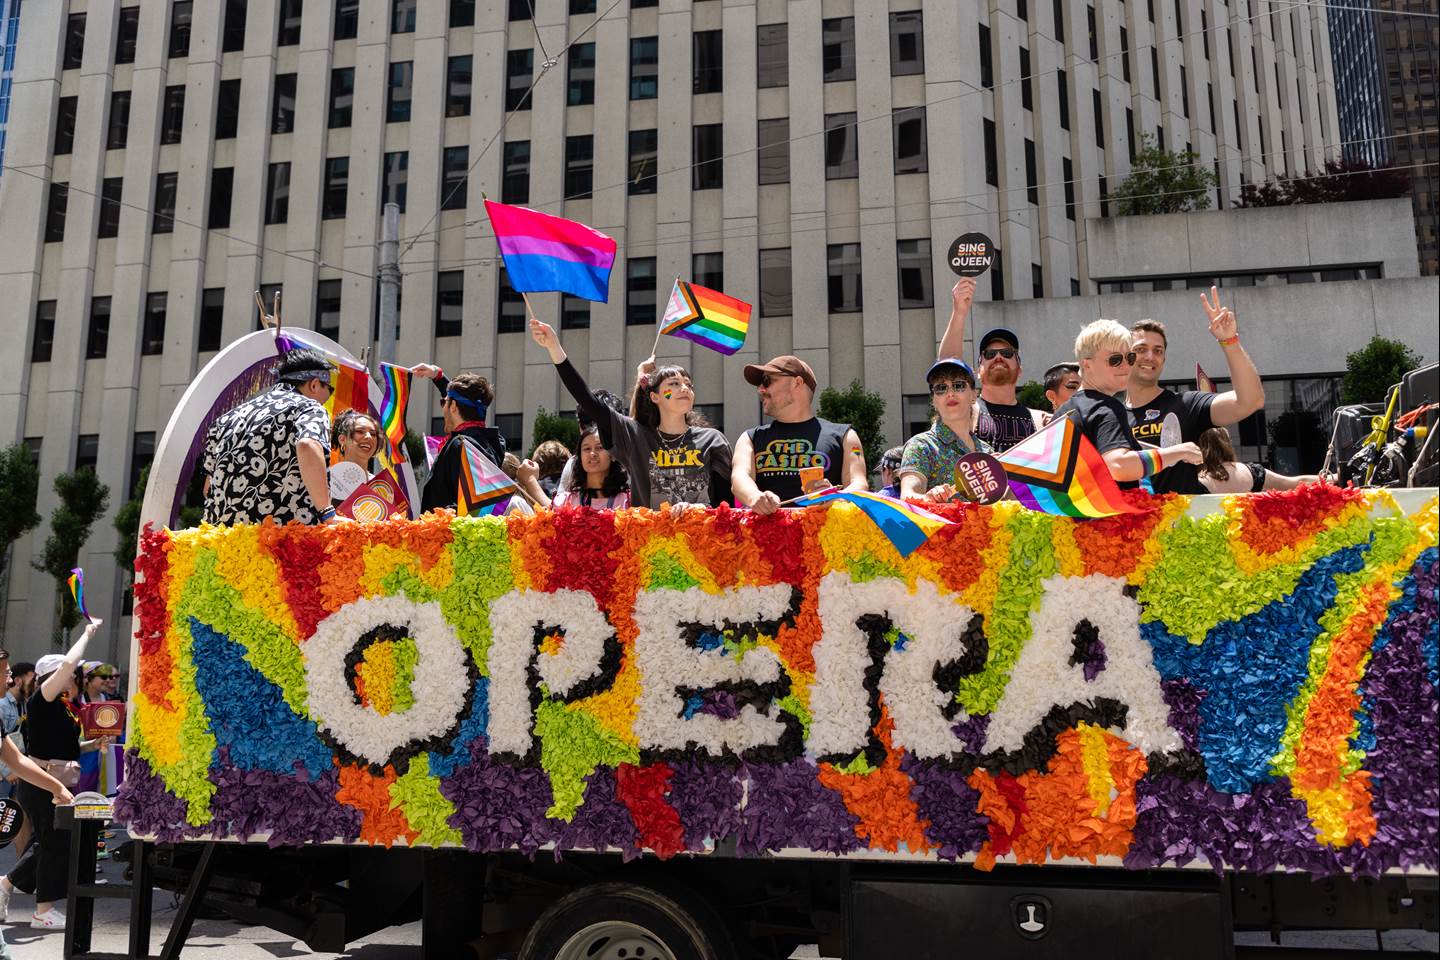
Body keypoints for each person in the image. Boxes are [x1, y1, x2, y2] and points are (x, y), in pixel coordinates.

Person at [530, 317, 732, 510]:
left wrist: (698, 510)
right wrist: (554, 347)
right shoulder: (636, 437)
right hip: (649, 542)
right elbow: (587, 400)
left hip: (700, 541)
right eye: (674, 384)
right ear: (655, 397)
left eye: (688, 384)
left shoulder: (713, 440)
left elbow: (726, 506)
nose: (684, 388)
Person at [1, 621, 110, 930]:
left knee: (48, 842)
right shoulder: (44, 698)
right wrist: (87, 635)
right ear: (51, 677)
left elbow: (64, 747)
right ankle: (43, 910)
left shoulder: (61, 706)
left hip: (54, 780)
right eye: (70, 675)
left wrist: (91, 744)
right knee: (53, 843)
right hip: (42, 782)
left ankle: (6, 886)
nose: (74, 678)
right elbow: (68, 663)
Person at [1125, 287, 1265, 494]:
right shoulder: (1111, 415)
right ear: (1125, 356)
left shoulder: (1186, 404)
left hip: (1182, 523)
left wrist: (1229, 340)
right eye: (1140, 349)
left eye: (1158, 351)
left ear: (1164, 359)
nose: (1150, 357)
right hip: (1128, 523)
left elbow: (1250, 401)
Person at [1056, 319, 1203, 487]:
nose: (1126, 365)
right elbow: (1119, 465)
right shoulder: (1106, 408)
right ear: (1087, 365)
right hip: (1108, 513)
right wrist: (1178, 452)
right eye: (1115, 359)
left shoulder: (1063, 412)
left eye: (1130, 357)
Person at [202, 347, 336, 525]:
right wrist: (327, 512)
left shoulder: (227, 418)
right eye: (330, 389)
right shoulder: (309, 407)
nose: (328, 397)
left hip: (226, 540)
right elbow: (307, 445)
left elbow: (208, 486)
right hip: (283, 537)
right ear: (314, 384)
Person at [732, 356, 868, 513]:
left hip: (824, 534)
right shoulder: (750, 438)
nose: (761, 389)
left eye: (767, 381)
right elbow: (739, 477)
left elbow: (859, 484)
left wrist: (836, 497)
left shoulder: (845, 436)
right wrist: (755, 497)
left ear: (797, 382)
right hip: (766, 535)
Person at [934, 277, 1041, 451]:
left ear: (1020, 369)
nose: (998, 357)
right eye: (990, 354)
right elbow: (948, 365)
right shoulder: (964, 411)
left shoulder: (1039, 421)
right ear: (977, 371)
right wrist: (959, 312)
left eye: (1007, 353)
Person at [412, 368, 507, 514]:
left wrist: (447, 513)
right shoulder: (493, 442)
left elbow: (470, 508)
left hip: (449, 534)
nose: (443, 407)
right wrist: (438, 376)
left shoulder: (461, 446)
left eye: (444, 402)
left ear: (454, 406)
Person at [898, 359, 991, 501]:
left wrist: (1006, 475)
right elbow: (908, 496)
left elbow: (1013, 503)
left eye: (958, 385)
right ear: (934, 401)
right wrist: (928, 498)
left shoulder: (988, 453)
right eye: (941, 388)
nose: (950, 393)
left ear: (974, 395)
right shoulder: (921, 446)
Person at [522, 423, 631, 510]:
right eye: (587, 449)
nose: (592, 454)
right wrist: (529, 480)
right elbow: (551, 514)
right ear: (579, 457)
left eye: (599, 448)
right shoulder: (567, 501)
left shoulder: (628, 501)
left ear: (612, 455)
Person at [1196, 427, 1318, 493]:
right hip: (1249, 536)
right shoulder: (1252, 471)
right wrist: (1331, 477)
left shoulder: (1195, 480)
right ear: (1227, 444)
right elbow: (1295, 483)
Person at [329, 409, 381, 503]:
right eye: (360, 431)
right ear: (342, 439)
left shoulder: (382, 487)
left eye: (373, 434)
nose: (369, 437)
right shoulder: (326, 480)